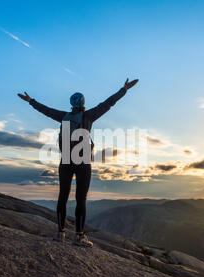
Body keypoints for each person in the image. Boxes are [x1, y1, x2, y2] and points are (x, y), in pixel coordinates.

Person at [18, 78, 139, 247]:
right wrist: (124, 89)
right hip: (82, 162)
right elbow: (108, 103)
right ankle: (80, 236)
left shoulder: (63, 117)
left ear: (71, 104)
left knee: (63, 197)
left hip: (66, 162)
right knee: (81, 199)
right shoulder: (89, 115)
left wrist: (31, 101)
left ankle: (60, 234)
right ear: (83, 103)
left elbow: (45, 110)